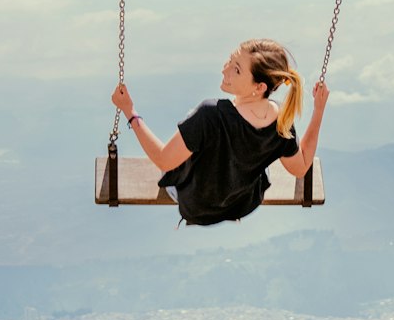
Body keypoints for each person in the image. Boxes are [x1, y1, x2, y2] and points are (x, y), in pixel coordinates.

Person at [110, 38, 329, 226]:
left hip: (195, 204)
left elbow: (164, 161)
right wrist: (318, 111)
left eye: (236, 69)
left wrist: (130, 111)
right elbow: (300, 167)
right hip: (242, 204)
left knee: (193, 137)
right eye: (230, 61)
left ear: (259, 87)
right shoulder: (282, 122)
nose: (224, 69)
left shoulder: (210, 114)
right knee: (260, 156)